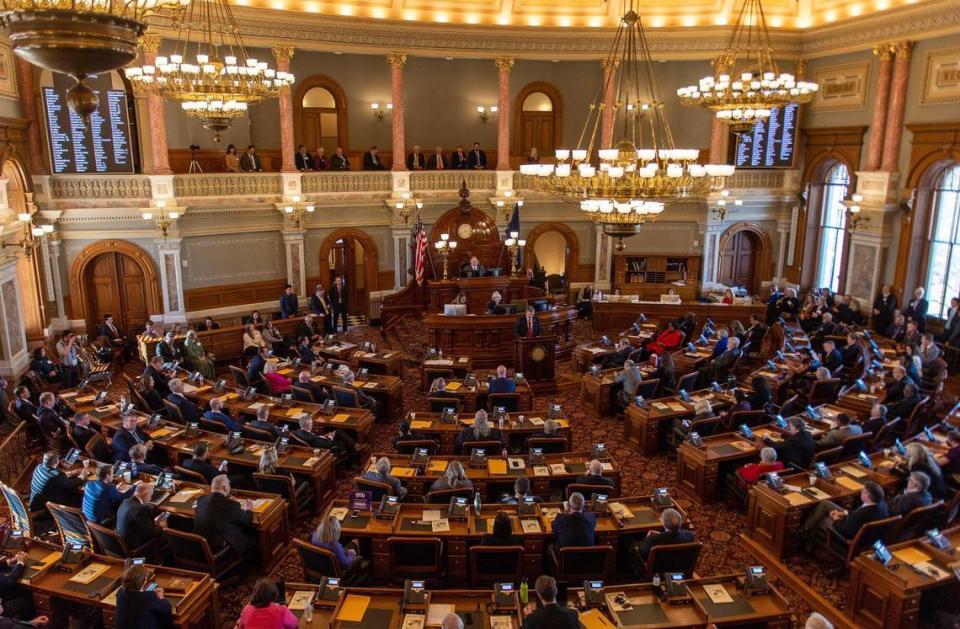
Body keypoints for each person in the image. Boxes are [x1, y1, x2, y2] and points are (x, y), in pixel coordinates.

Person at [799, 481, 888, 552]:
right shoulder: (882, 505)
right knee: (825, 504)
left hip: (850, 538)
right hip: (853, 524)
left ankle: (806, 541)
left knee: (824, 520)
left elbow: (845, 531)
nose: (861, 491)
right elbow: (856, 519)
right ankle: (805, 529)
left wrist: (834, 519)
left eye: (863, 490)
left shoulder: (861, 514)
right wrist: (845, 514)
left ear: (867, 496)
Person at [195, 475, 256, 558]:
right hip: (218, 547)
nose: (230, 486)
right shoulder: (231, 505)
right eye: (229, 484)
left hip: (200, 546)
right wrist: (248, 510)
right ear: (224, 487)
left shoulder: (201, 500)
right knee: (251, 533)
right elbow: (247, 521)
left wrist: (229, 501)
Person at [115, 564, 173, 629]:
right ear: (144, 581)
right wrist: (161, 597)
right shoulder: (149, 597)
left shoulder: (120, 593)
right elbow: (166, 609)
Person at [117, 481, 167, 551]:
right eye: (150, 496)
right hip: (136, 545)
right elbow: (151, 533)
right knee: (166, 534)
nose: (150, 499)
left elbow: (139, 521)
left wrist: (153, 521)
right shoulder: (140, 509)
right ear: (145, 495)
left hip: (123, 540)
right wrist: (161, 525)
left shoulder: (125, 501)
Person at [291, 416, 356, 460]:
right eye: (311, 423)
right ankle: (353, 455)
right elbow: (326, 444)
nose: (312, 425)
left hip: (320, 441)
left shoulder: (296, 431)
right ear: (307, 426)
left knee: (338, 432)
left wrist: (325, 436)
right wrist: (330, 437)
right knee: (340, 436)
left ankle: (354, 446)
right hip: (327, 448)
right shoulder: (311, 438)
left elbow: (317, 439)